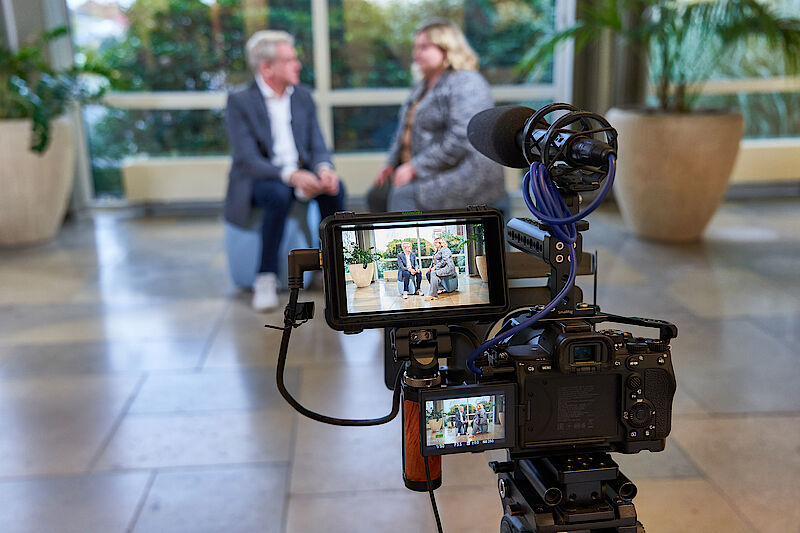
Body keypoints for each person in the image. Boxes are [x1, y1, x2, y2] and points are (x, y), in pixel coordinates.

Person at [224, 30, 345, 311]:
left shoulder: (302, 96)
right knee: (278, 195)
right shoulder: (240, 101)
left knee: (335, 190)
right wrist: (291, 175)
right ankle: (265, 277)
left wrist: (324, 169)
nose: (298, 65)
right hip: (263, 177)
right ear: (267, 67)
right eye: (290, 60)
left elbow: (318, 144)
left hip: (302, 173)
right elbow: (247, 158)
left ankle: (332, 270)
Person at [369, 20, 505, 212]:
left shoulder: (467, 82)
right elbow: (405, 129)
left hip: (466, 173)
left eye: (424, 47)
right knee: (377, 196)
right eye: (415, 47)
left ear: (447, 48)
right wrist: (391, 163)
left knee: (403, 197)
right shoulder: (423, 85)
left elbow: (462, 137)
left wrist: (415, 167)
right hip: (433, 169)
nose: (416, 54)